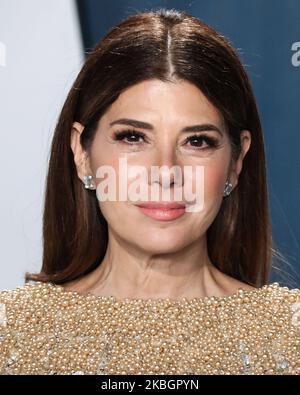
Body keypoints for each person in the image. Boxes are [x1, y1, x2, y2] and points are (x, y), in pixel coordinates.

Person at [0, 8, 299, 375]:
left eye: (197, 141)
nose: (165, 172)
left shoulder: (290, 337)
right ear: (82, 153)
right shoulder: (12, 335)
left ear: (236, 163)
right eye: (133, 137)